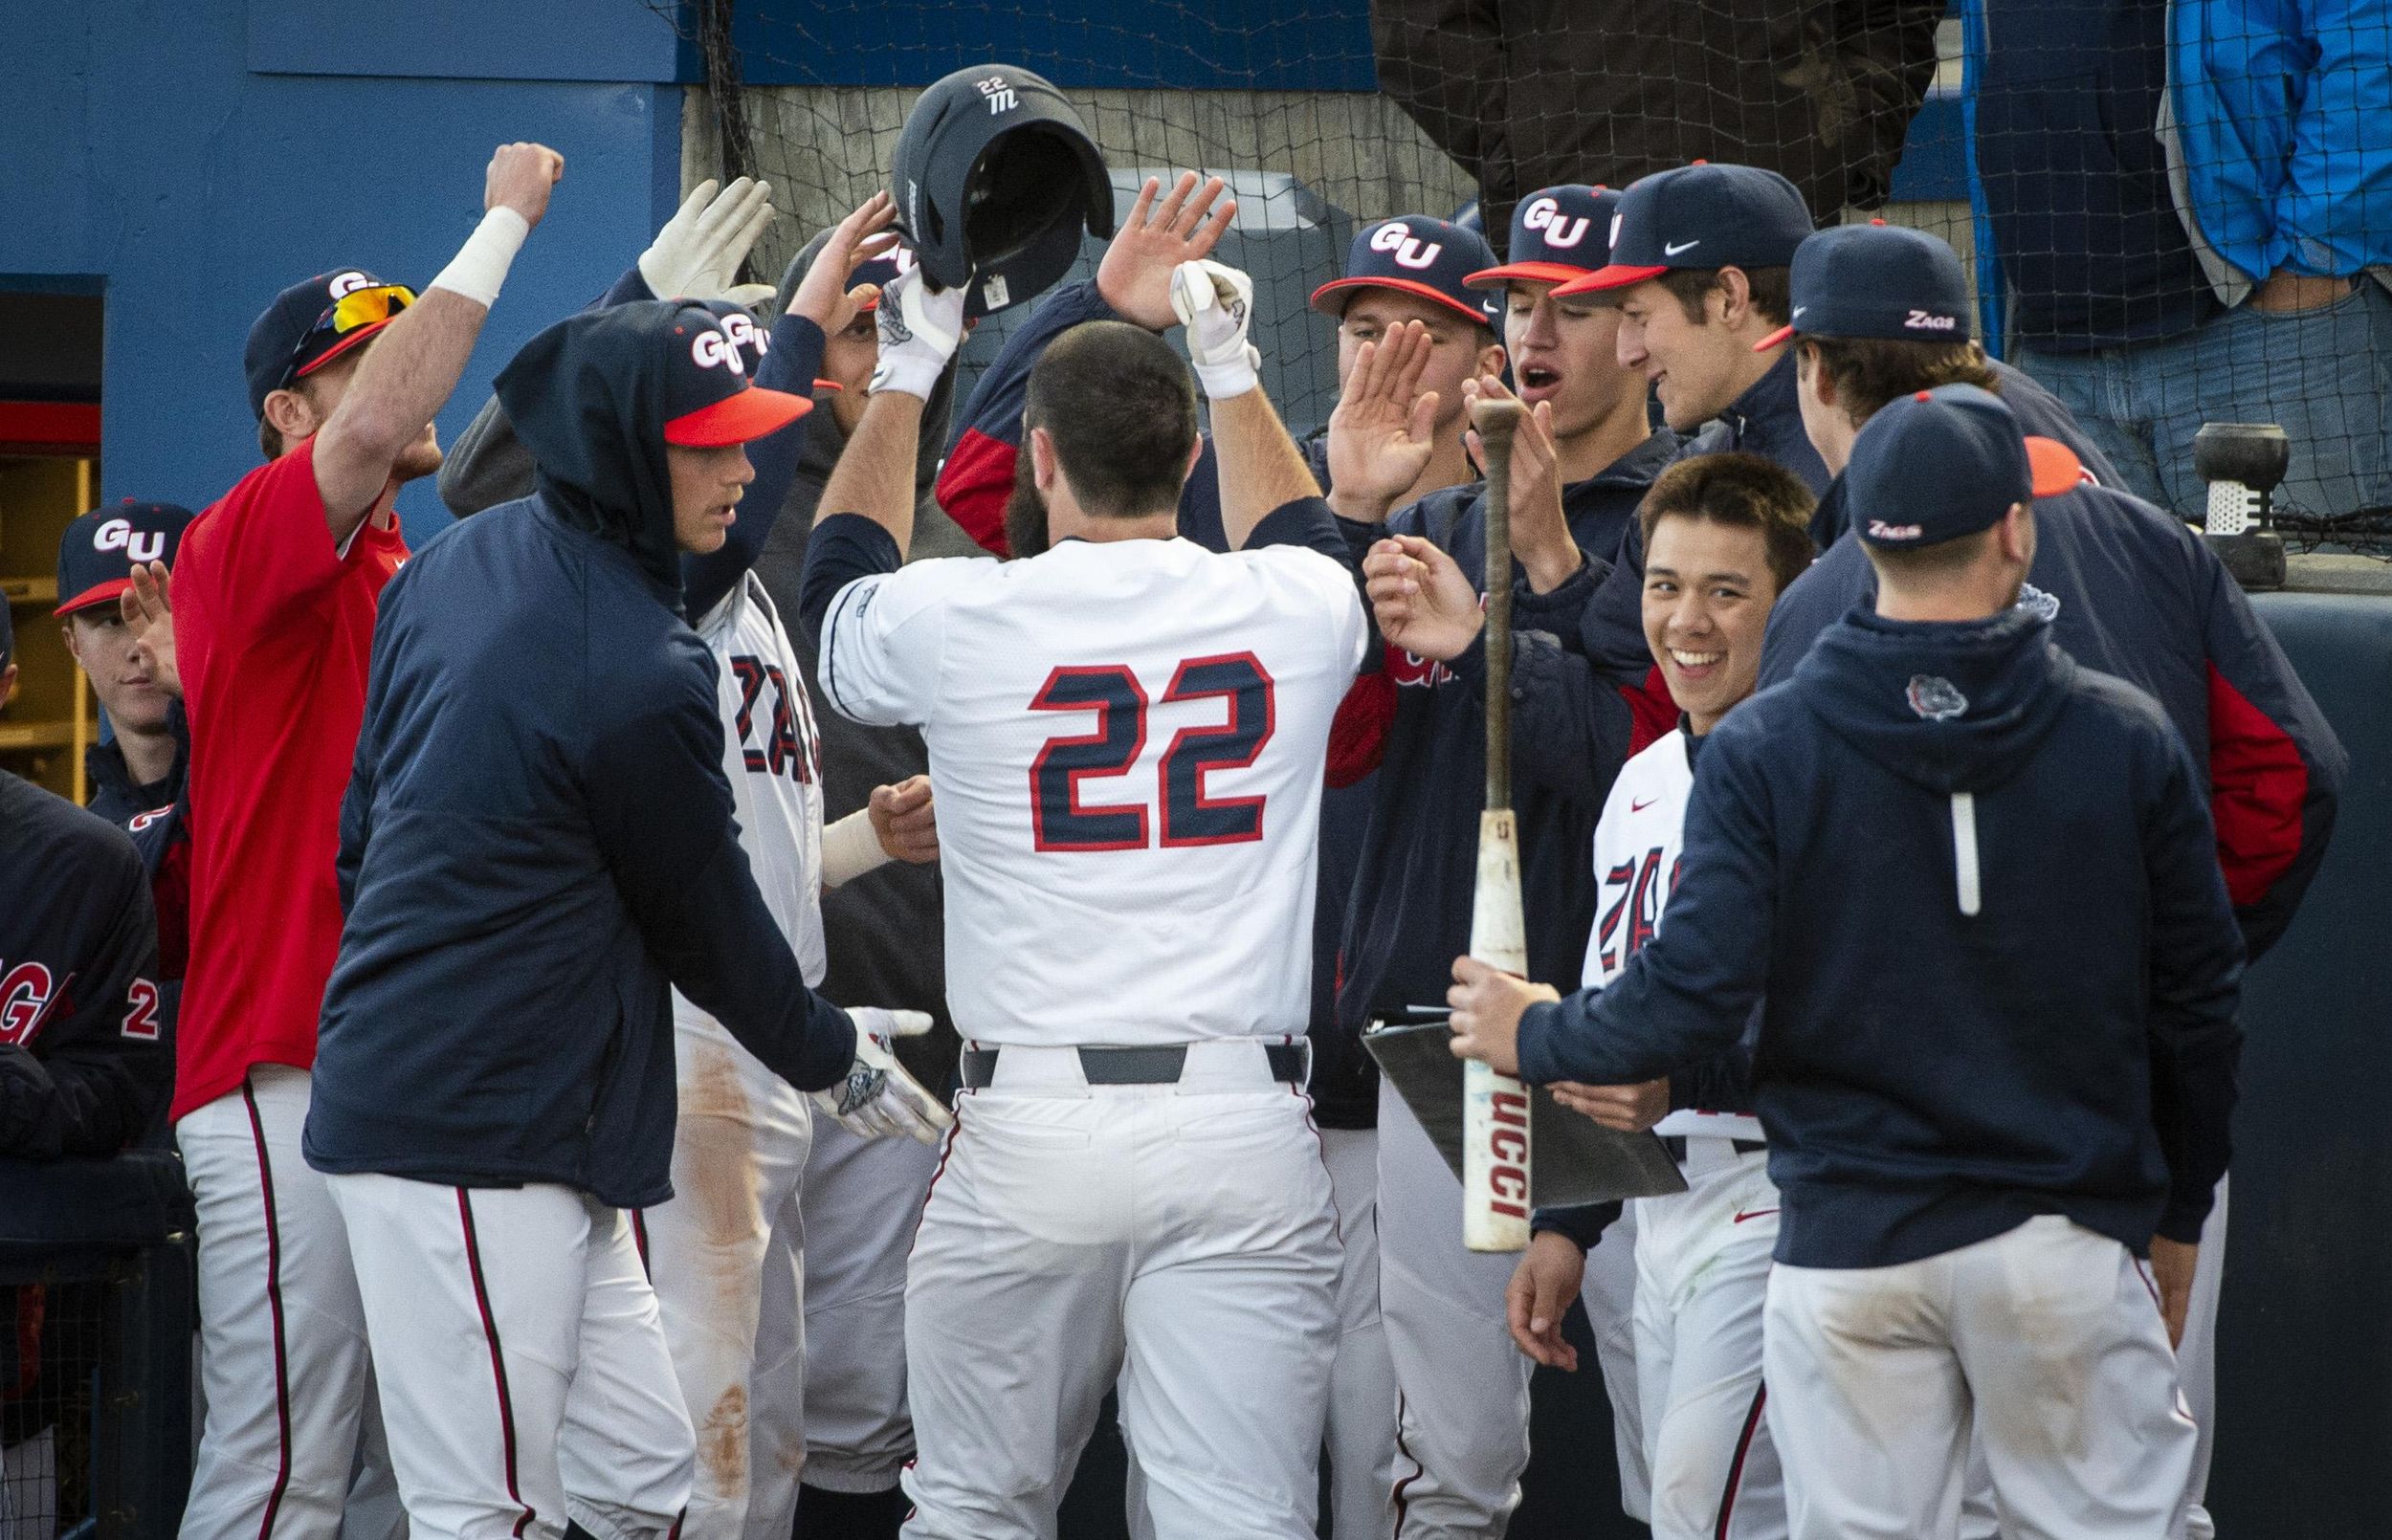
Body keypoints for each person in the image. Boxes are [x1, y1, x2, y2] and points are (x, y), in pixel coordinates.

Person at [1449, 385, 2244, 1538]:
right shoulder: (2119, 731)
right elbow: (2200, 1005)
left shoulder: (1771, 739)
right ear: (2018, 531)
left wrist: (1534, 1031)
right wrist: (2178, 1203)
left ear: (1857, 540)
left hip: (1843, 1242)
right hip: (2053, 1236)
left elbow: (1689, 994)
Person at [307, 293, 935, 1540]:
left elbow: (361, 838)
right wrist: (834, 1056)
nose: (744, 469)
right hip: (470, 1121)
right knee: (487, 1508)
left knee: (652, 1479)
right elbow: (706, 918)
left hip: (535, 1104)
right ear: (619, 453)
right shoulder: (635, 660)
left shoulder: (453, 569)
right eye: (707, 444)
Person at [1756, 217, 2347, 1536]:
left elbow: (1759, 888)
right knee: (2121, 1506)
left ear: (1810, 374)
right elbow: (2290, 778)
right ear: (1973, 356)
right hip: (2121, 1110)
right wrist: (2186, 950)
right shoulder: (2156, 538)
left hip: (1892, 1146)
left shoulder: (1823, 597)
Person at [802, 249, 1363, 1538]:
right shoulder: (1283, 604)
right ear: (1183, 465)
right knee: (1240, 1519)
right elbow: (1305, 538)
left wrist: (907, 369)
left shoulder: (964, 612)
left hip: (1029, 1126)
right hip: (1240, 1122)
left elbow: (833, 588)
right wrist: (1231, 371)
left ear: (1039, 462)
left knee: (974, 1513)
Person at [166, 142, 563, 1540]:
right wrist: (501, 227)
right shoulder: (244, 536)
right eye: (365, 357)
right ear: (288, 408)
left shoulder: (424, 564)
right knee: (282, 1468)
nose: (409, 370)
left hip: (413, 1067)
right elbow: (362, 435)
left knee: (422, 1466)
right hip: (278, 1061)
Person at [1337, 182, 1677, 1538]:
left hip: (1646, 1064)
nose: (1538, 332)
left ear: (1644, 329)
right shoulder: (1437, 516)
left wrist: (1527, 587)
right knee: (1450, 1462)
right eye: (1521, 301)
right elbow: (1340, 753)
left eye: (1579, 306)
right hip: (1457, 1044)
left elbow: (1642, 776)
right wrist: (1359, 522)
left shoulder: (1694, 518)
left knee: (1692, 1456)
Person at [1500, 454, 1813, 1540]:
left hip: (1781, 1189)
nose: (1688, 619)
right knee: (1676, 1507)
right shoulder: (1639, 782)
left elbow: (1841, 1022)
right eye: (1665, 584)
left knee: (1702, 1507)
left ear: (1792, 600)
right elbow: (1610, 1018)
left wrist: (1677, 1073)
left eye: (1726, 590)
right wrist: (1567, 1222)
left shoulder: (1817, 773)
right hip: (1653, 1205)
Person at [1970, 0, 2392, 520]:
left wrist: (2313, 260)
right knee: (2098, 600)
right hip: (2053, 357)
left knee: (2306, 596)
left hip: (2261, 334)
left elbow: (2371, 41)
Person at [1368, 0, 1944, 236]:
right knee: (1578, 486)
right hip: (1580, 229)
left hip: (1775, 221)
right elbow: (1420, 31)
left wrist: (1842, 142)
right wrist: (1520, 158)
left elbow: (1894, 16)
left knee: (1778, 484)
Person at [0, 593, 167, 1160]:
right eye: (107, 624)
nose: (137, 649)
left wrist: (13, 1094)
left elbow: (120, 1095)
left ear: (5, 687)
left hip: (29, 1225)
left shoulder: (86, 863)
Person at [1555, 163, 1827, 495]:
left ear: (1729, 298)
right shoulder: (1697, 464)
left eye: (1638, 316)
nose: (1627, 355)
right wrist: (1552, 547)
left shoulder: (1856, 461)